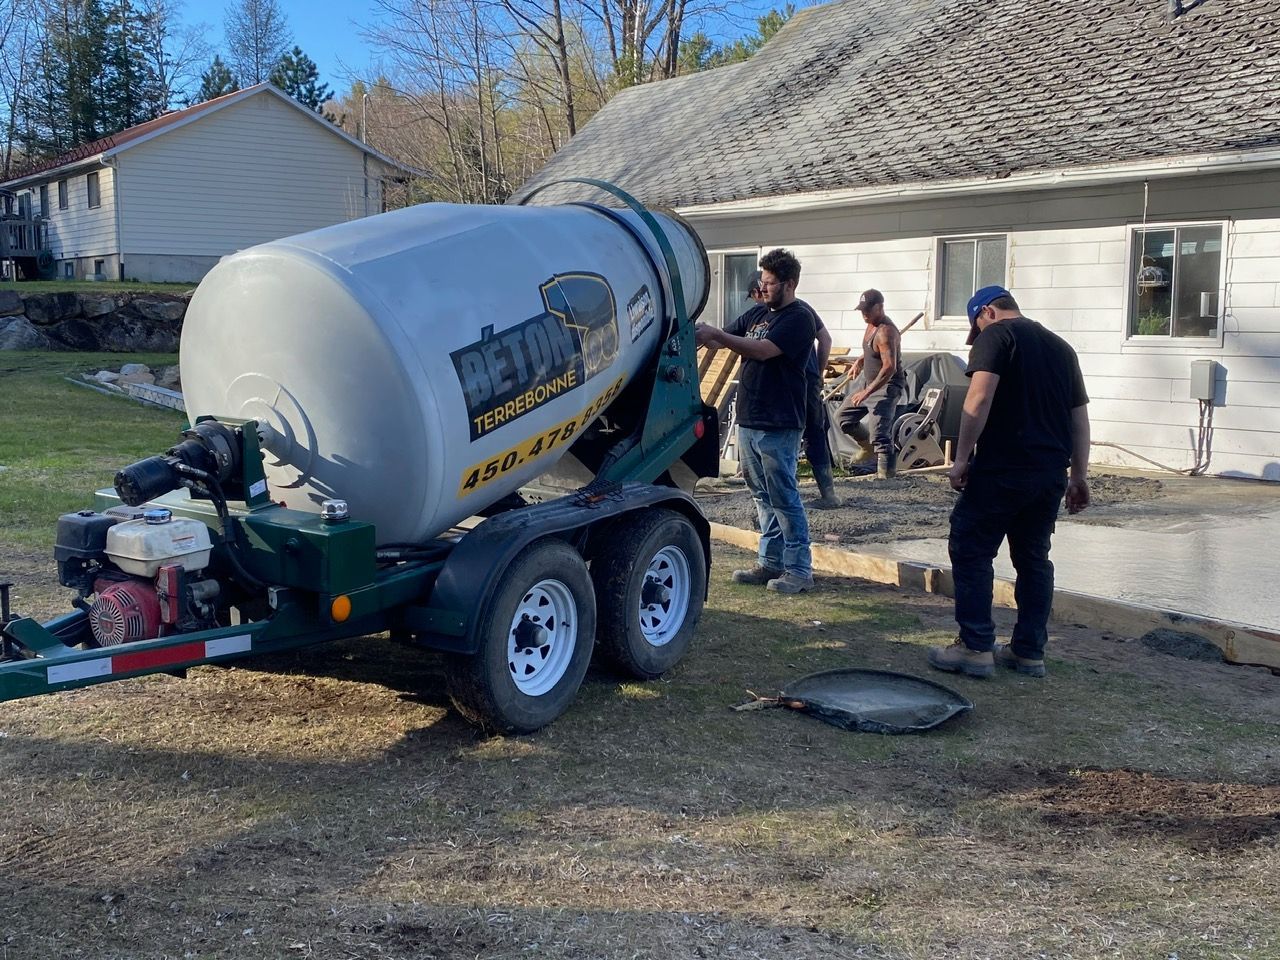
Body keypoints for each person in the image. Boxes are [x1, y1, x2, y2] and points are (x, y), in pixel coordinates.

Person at [927, 285, 1091, 679]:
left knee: (971, 549)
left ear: (987, 312)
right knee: (1033, 559)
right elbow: (1079, 419)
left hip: (1003, 469)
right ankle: (1028, 651)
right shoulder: (1061, 347)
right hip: (1048, 474)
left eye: (976, 326)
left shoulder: (996, 336)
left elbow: (978, 400)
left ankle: (976, 648)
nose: (976, 336)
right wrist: (1079, 475)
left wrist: (962, 458)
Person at [696, 250, 815, 593]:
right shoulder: (758, 313)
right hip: (751, 418)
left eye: (769, 282)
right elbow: (722, 339)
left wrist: (719, 335)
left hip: (779, 422)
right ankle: (770, 563)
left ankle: (798, 569)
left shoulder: (798, 318)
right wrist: (700, 336)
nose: (762, 288)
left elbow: (762, 350)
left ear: (789, 284)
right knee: (762, 496)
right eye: (761, 280)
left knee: (784, 496)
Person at [742, 270, 839, 509]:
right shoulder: (803, 309)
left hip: (790, 385)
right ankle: (828, 493)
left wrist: (814, 373)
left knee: (794, 436)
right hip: (808, 380)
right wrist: (817, 373)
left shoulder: (794, 314)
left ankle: (792, 495)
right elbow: (825, 339)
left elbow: (764, 350)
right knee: (814, 434)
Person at [836, 289, 907, 479]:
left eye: (868, 310)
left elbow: (889, 367)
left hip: (887, 386)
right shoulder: (871, 325)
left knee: (880, 435)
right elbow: (873, 350)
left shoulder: (886, 331)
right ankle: (867, 447)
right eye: (862, 310)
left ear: (880, 307)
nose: (864, 314)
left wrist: (867, 392)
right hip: (870, 382)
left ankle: (886, 477)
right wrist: (860, 361)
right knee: (843, 417)